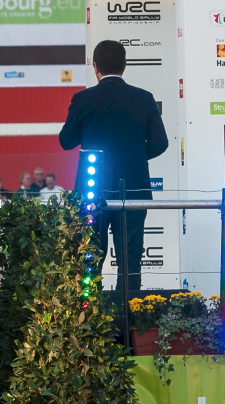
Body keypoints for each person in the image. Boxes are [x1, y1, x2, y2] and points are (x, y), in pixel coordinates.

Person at [58, 39, 170, 340]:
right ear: (124, 65)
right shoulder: (144, 98)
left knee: (90, 260)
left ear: (95, 66)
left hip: (93, 195)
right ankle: (129, 331)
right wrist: (133, 157)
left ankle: (89, 328)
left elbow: (66, 141)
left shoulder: (83, 99)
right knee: (130, 262)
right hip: (133, 192)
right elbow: (160, 144)